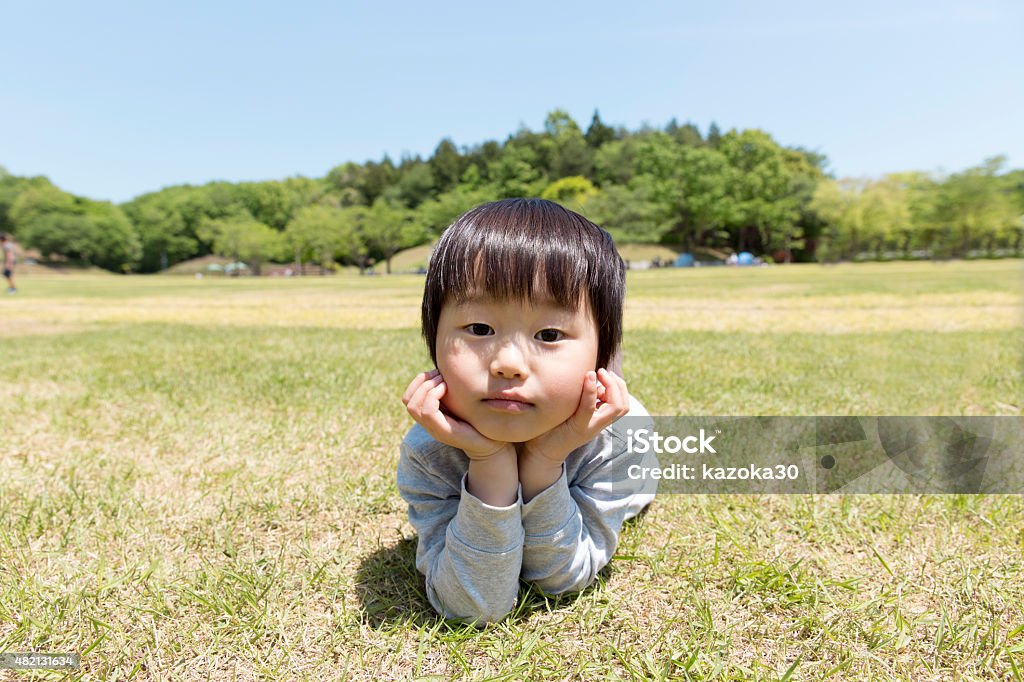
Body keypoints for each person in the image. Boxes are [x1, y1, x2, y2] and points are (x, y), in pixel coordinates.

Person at [398, 198, 657, 626]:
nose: (508, 363)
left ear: (602, 357)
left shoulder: (620, 439)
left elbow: (559, 577)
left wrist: (544, 461)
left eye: (549, 334)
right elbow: (473, 602)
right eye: (479, 329)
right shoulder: (431, 449)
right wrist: (490, 463)